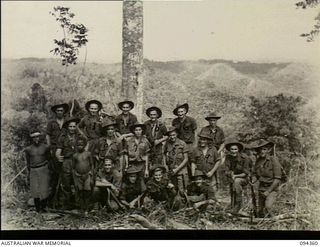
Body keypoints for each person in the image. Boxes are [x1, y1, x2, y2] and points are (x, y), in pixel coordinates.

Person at [55, 117, 82, 210]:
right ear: (67, 127)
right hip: (67, 161)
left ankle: (78, 204)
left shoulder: (80, 136)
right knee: (66, 183)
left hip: (78, 161)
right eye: (70, 126)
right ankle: (68, 204)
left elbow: (85, 148)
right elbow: (58, 150)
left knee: (78, 183)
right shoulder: (62, 137)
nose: (72, 128)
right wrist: (58, 156)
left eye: (74, 126)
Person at [46, 103, 69, 206]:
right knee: (55, 173)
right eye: (58, 111)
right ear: (55, 112)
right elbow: (48, 135)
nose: (60, 112)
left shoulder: (67, 121)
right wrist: (50, 148)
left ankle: (64, 198)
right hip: (55, 147)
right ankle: (53, 198)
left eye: (61, 110)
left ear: (64, 112)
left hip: (65, 148)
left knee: (65, 173)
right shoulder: (51, 122)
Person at [251, 139, 282, 217]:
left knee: (268, 207)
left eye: (264, 149)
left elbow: (277, 179)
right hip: (261, 188)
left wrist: (268, 191)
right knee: (260, 212)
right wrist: (253, 179)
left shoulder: (273, 160)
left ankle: (275, 222)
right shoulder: (258, 161)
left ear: (268, 150)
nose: (262, 151)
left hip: (272, 189)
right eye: (260, 149)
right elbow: (255, 174)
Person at [24, 131, 51, 213]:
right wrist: (29, 172)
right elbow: (28, 162)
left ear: (40, 137)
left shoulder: (45, 147)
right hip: (33, 169)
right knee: (35, 189)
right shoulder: (28, 149)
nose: (36, 139)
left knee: (44, 188)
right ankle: (37, 208)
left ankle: (43, 207)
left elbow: (49, 159)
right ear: (32, 139)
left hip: (43, 168)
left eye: (38, 137)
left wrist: (49, 170)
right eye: (34, 137)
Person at [223, 139, 250, 215]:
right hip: (233, 178)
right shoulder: (228, 158)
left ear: (238, 150)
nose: (233, 151)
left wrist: (235, 176)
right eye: (232, 149)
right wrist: (230, 174)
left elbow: (246, 173)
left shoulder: (244, 158)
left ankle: (238, 205)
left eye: (235, 149)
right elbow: (226, 169)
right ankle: (233, 207)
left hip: (244, 178)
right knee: (233, 184)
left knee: (237, 181)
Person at [72, 137, 94, 215]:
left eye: (81, 144)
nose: (80, 146)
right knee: (80, 192)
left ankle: (87, 208)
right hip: (78, 176)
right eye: (78, 145)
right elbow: (73, 168)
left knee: (87, 191)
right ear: (76, 146)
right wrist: (75, 178)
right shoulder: (75, 155)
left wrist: (91, 176)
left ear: (84, 145)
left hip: (87, 175)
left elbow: (92, 165)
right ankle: (81, 208)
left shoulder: (88, 154)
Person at [163, 127, 189, 192]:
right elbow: (163, 154)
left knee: (182, 190)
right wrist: (165, 165)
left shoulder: (182, 143)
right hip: (171, 170)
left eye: (173, 135)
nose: (172, 137)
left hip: (181, 169)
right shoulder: (167, 143)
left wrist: (177, 169)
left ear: (176, 134)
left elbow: (186, 159)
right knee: (173, 189)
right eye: (170, 135)